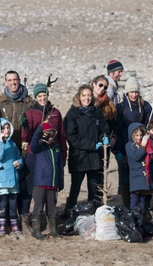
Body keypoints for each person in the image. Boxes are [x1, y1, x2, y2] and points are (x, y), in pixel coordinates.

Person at [20, 83, 67, 226]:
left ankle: (49, 218)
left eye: (44, 95)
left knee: (50, 185)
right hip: (34, 154)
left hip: (51, 154)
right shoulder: (30, 113)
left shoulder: (55, 113)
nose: (42, 98)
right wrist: (26, 127)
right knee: (31, 187)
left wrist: (63, 155)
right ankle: (26, 215)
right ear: (36, 97)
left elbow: (61, 136)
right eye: (39, 96)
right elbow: (25, 138)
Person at [63, 84, 110, 214]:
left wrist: (104, 137)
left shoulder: (97, 113)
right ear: (79, 97)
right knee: (75, 188)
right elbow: (72, 137)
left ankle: (93, 214)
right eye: (84, 95)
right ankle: (70, 212)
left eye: (89, 95)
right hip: (79, 157)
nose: (87, 98)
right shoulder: (72, 114)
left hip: (95, 158)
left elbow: (104, 129)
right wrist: (91, 145)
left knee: (94, 189)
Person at [114, 77, 152, 208]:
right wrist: (117, 150)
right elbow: (117, 130)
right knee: (125, 178)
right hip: (125, 146)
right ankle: (127, 206)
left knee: (143, 175)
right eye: (131, 92)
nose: (134, 94)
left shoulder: (145, 106)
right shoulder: (120, 108)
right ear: (126, 93)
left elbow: (148, 124)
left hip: (142, 146)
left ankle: (144, 208)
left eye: (136, 92)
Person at [29, 122, 64, 240]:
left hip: (53, 183)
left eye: (52, 134)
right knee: (38, 208)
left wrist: (60, 182)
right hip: (40, 183)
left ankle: (53, 230)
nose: (50, 137)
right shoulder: (38, 147)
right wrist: (38, 132)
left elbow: (60, 166)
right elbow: (32, 145)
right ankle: (36, 230)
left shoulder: (56, 147)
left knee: (52, 208)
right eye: (47, 134)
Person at [0, 118, 24, 236]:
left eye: (8, 127)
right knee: (3, 204)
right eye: (3, 128)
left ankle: (14, 225)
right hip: (1, 180)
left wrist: (19, 163)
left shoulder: (13, 144)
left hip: (13, 180)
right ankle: (2, 226)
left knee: (13, 203)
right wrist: (1, 141)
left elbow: (19, 157)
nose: (7, 130)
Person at [0, 70, 35, 151]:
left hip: (24, 145)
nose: (13, 82)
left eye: (15, 79)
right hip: (7, 145)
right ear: (6, 83)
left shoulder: (30, 103)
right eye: (9, 80)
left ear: (19, 80)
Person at [126, 122, 153, 209]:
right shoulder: (129, 146)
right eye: (136, 135)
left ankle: (143, 215)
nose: (139, 137)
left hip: (144, 176)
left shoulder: (144, 144)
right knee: (135, 198)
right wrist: (143, 145)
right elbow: (137, 156)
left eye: (141, 135)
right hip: (136, 175)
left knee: (143, 199)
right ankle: (131, 214)